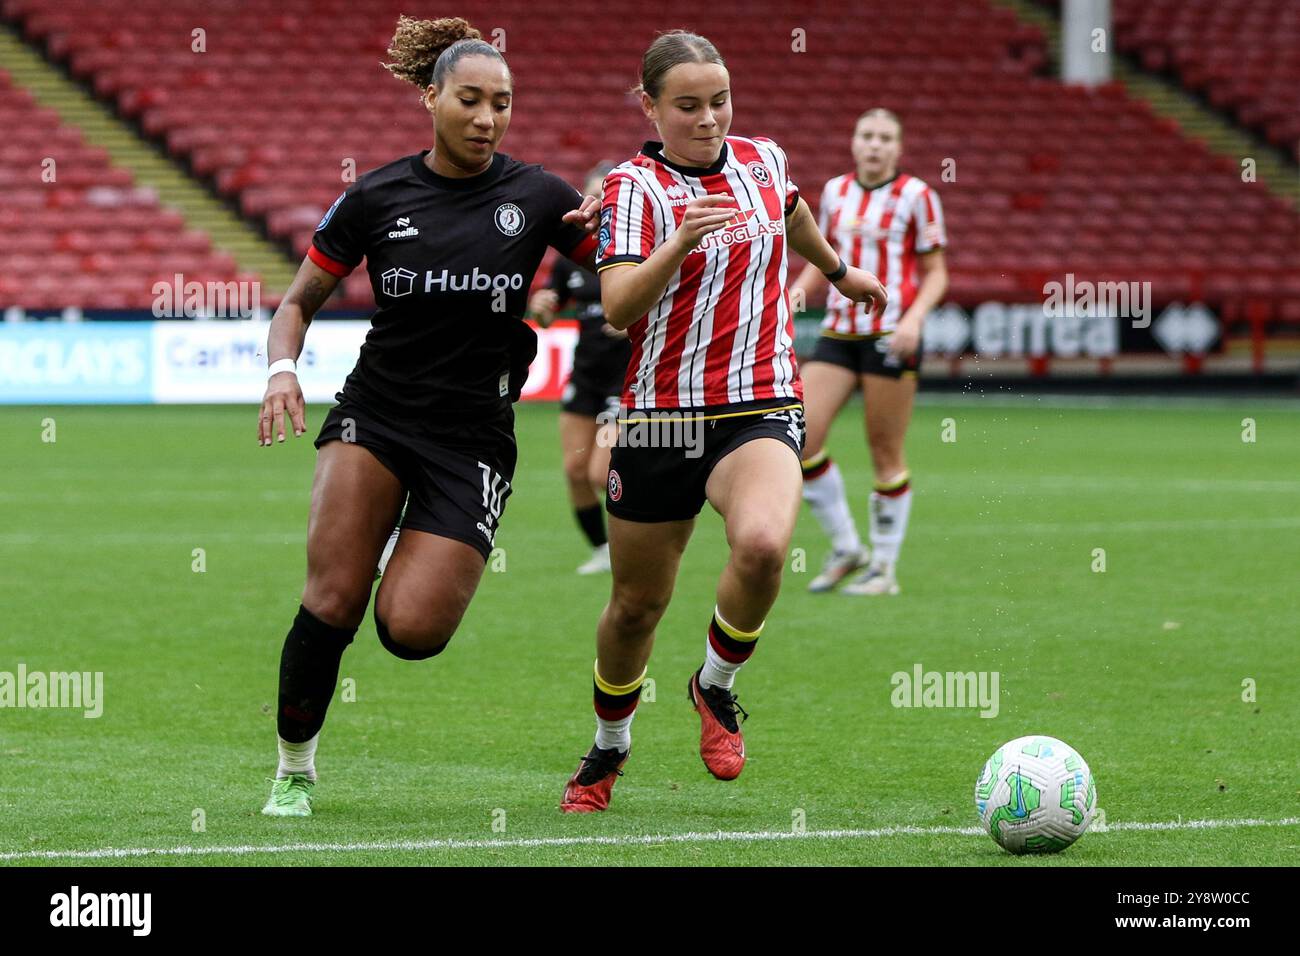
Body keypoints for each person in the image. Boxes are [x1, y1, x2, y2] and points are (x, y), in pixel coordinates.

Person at [255, 15, 598, 817]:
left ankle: (394, 556)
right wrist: (281, 371)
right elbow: (298, 303)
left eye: (502, 103)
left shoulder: (542, 197)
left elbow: (620, 281)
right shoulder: (375, 195)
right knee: (331, 599)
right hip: (375, 417)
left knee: (411, 631)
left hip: (474, 437)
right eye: (470, 99)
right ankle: (294, 771)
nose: (487, 118)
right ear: (431, 97)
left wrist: (633, 228)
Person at [559, 31, 885, 813]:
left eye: (720, 101)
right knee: (636, 607)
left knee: (767, 545)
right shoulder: (635, 189)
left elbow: (794, 211)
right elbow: (617, 307)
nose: (709, 119)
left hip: (760, 403)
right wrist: (679, 241)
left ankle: (716, 686)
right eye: (689, 105)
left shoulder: (762, 160)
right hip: (661, 418)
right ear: (651, 106)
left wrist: (838, 271)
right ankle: (608, 748)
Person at [791, 108, 948, 596]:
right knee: (802, 439)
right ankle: (846, 547)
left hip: (889, 335)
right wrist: (798, 290)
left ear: (898, 149)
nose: (875, 145)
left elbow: (936, 272)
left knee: (885, 452)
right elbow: (827, 256)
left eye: (884, 138)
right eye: (867, 136)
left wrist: (914, 320)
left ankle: (883, 567)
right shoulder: (837, 191)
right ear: (854, 143)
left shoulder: (919, 196)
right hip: (839, 332)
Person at [526, 162, 632, 575]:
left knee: (600, 470)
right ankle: (603, 550)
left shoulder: (633, 252)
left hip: (624, 378)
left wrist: (629, 318)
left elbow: (663, 302)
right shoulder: (571, 257)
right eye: (590, 197)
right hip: (584, 375)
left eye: (605, 197)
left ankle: (641, 543)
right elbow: (549, 315)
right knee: (574, 469)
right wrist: (541, 309)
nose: (597, 206)